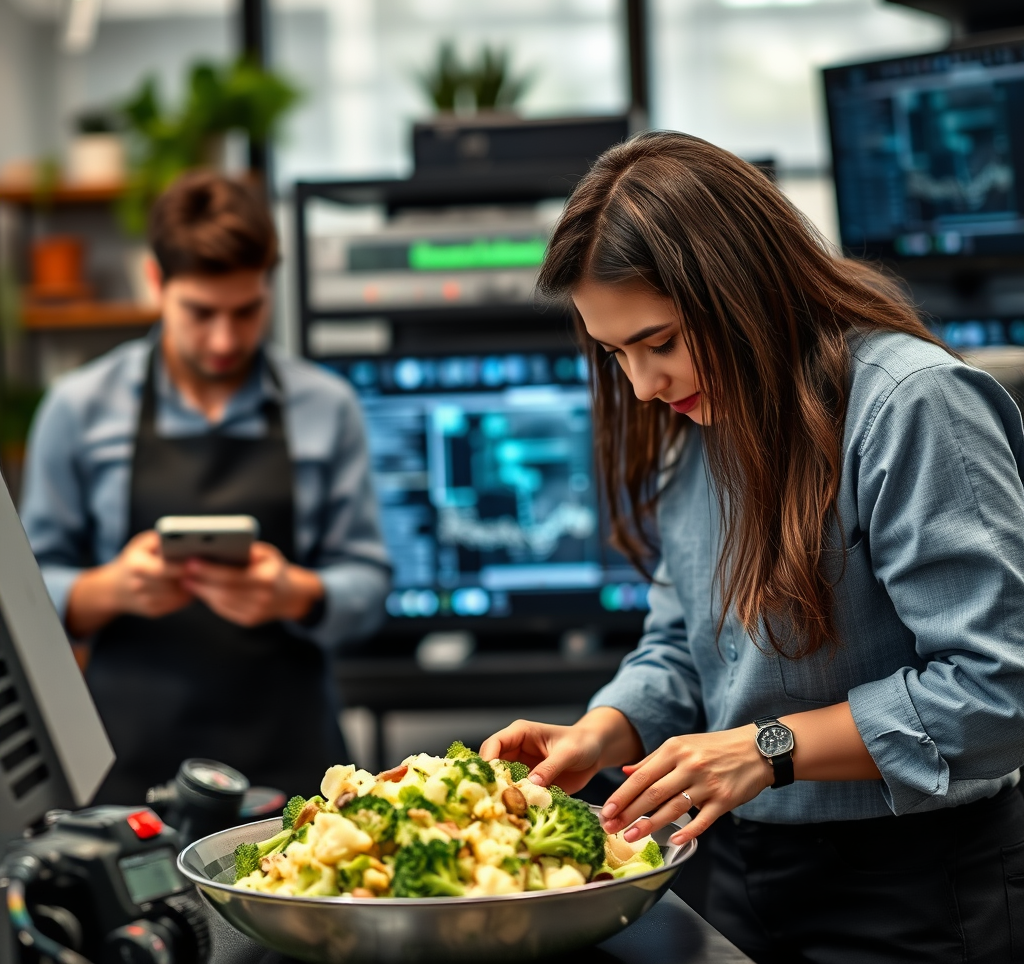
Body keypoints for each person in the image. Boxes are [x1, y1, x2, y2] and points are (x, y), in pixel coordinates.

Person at [481, 133, 1024, 963]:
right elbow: (681, 647)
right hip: (738, 871)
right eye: (616, 353)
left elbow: (1000, 692)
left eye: (659, 342)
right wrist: (604, 729)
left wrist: (772, 748)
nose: (643, 386)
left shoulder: (912, 406)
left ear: (742, 289)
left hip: (916, 886)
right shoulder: (700, 419)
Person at [20, 171, 391, 804]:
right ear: (156, 282)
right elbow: (24, 602)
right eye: (201, 313)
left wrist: (295, 593)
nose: (225, 340)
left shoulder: (325, 407)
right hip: (128, 768)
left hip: (293, 768)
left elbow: (369, 583)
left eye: (246, 312)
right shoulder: (78, 409)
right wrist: (103, 590)